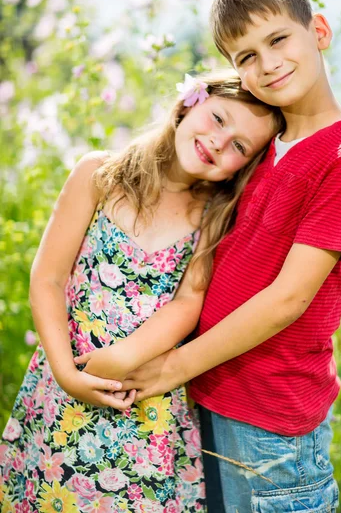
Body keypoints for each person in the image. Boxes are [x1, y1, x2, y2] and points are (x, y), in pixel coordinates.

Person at [109, 0, 341, 512]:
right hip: (215, 396)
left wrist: (171, 368)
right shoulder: (263, 145)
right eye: (246, 57)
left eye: (278, 39)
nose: (268, 63)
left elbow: (288, 299)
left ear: (319, 32)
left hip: (272, 425)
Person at [0, 71, 282, 512]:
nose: (218, 143)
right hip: (61, 388)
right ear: (191, 102)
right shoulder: (101, 174)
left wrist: (128, 355)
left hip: (143, 407)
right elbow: (48, 278)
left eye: (240, 148)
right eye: (218, 119)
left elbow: (189, 302)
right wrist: (67, 374)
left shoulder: (210, 216)